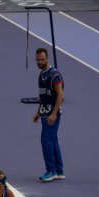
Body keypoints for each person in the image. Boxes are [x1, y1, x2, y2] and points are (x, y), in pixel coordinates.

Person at [33, 47, 65, 182]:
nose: (40, 62)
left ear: (47, 59)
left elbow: (60, 95)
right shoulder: (42, 74)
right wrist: (38, 113)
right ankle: (59, 170)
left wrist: (53, 114)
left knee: (45, 140)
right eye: (38, 59)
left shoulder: (54, 75)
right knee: (52, 140)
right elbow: (44, 97)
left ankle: (50, 170)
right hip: (45, 112)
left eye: (42, 59)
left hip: (52, 115)